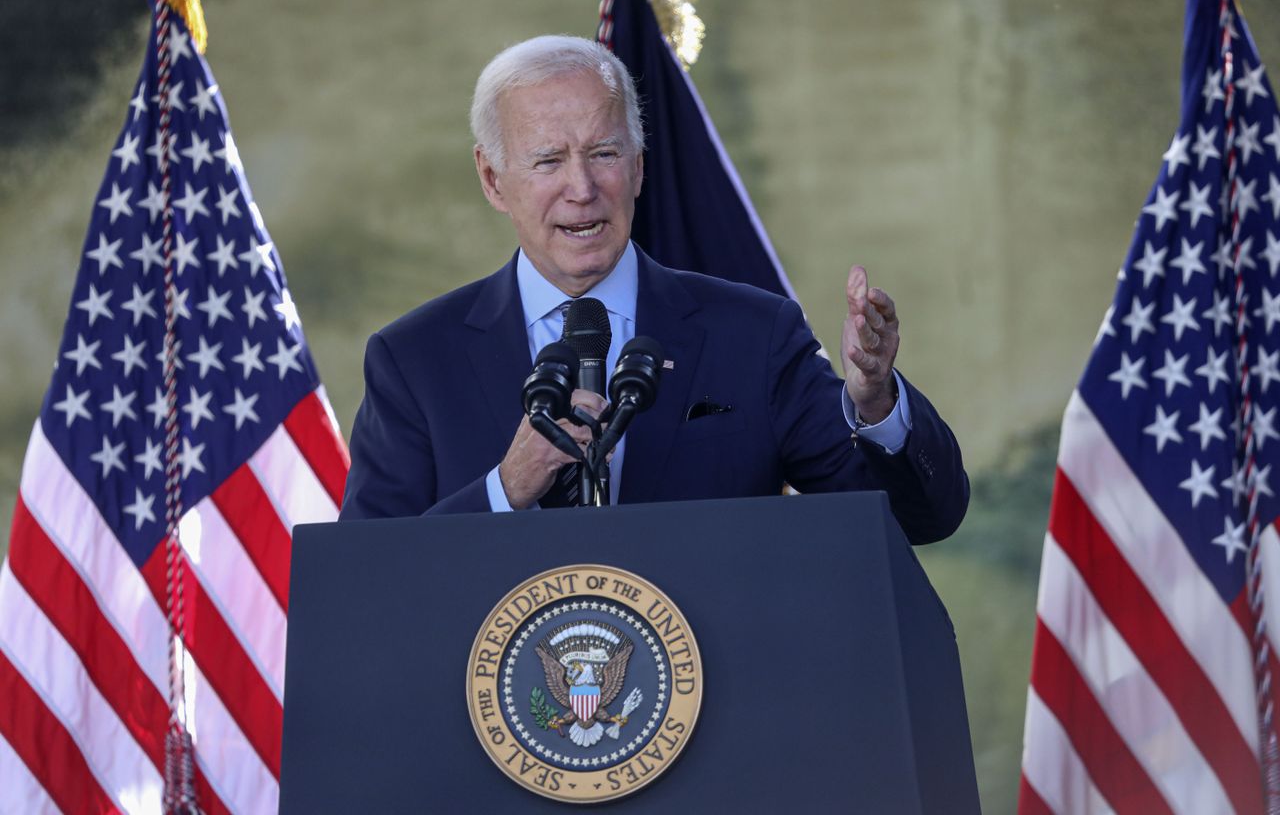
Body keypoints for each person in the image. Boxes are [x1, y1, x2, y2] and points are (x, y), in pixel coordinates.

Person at [338, 35, 968, 544]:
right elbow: (370, 584)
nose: (582, 188)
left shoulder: (753, 334)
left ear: (639, 166)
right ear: (493, 179)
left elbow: (919, 519)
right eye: (549, 161)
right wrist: (507, 488)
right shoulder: (414, 360)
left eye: (605, 154)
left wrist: (876, 402)